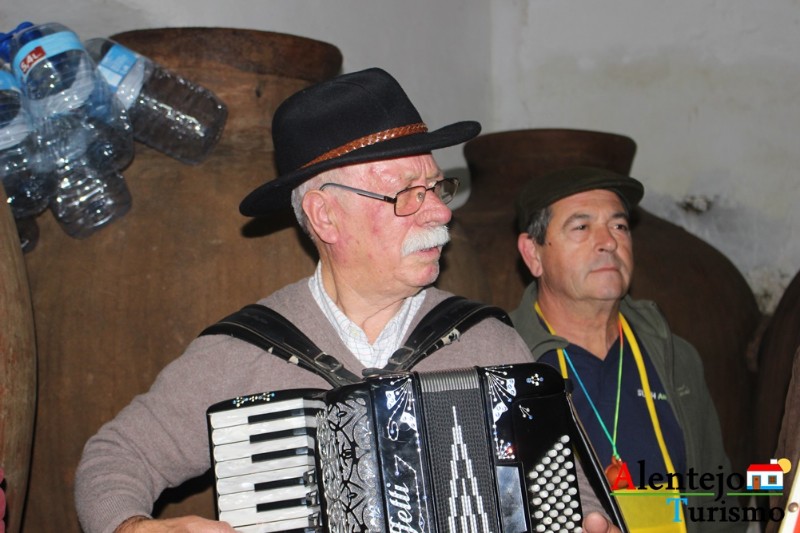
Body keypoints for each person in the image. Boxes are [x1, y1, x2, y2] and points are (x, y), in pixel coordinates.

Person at [74, 69, 623, 533]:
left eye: (436, 188)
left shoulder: (487, 342)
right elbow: (115, 457)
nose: (440, 213)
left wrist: (591, 522)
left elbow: (578, 494)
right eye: (408, 194)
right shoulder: (242, 352)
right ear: (325, 216)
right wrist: (134, 528)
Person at [510, 166, 745, 532]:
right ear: (532, 254)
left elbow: (718, 502)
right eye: (581, 227)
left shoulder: (674, 358)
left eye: (619, 226)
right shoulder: (508, 361)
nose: (608, 242)